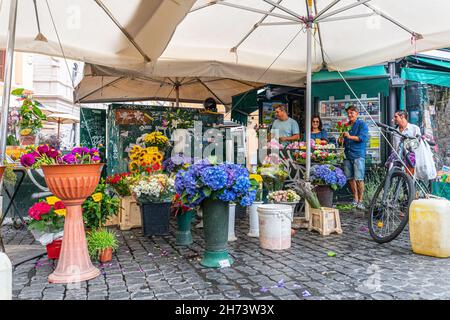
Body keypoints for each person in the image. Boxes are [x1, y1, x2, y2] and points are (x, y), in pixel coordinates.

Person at [338, 106, 369, 210]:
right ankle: (355, 199)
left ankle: (361, 200)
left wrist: (349, 136)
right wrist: (340, 139)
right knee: (350, 178)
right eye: (348, 113)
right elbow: (342, 142)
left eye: (352, 113)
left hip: (358, 155)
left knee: (359, 178)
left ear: (357, 113)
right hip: (347, 154)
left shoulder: (362, 124)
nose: (350, 115)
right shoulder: (346, 126)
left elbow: (362, 138)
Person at [387, 110, 421, 175]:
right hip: (399, 155)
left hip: (411, 155)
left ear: (402, 116)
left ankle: (409, 182)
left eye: (395, 117)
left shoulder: (414, 128)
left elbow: (418, 143)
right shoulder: (395, 131)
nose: (393, 119)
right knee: (390, 164)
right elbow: (395, 147)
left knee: (410, 159)